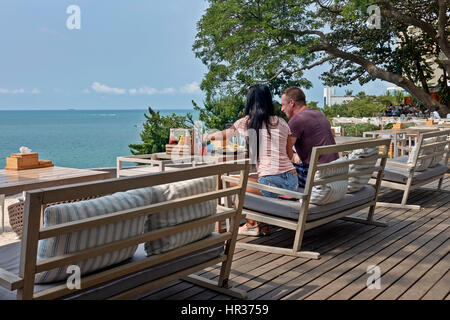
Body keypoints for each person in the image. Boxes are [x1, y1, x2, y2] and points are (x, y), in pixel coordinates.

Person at [207, 84, 298, 236]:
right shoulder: (282, 122)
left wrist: (204, 137)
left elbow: (223, 136)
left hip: (271, 183)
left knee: (226, 181)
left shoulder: (246, 122)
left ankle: (251, 224)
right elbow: (289, 155)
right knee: (250, 178)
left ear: (249, 102)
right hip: (292, 182)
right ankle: (260, 224)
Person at [280, 87, 339, 188]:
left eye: (283, 105)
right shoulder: (319, 114)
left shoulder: (297, 120)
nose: (282, 109)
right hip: (334, 173)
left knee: (272, 174)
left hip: (315, 178)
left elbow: (282, 152)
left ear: (291, 102)